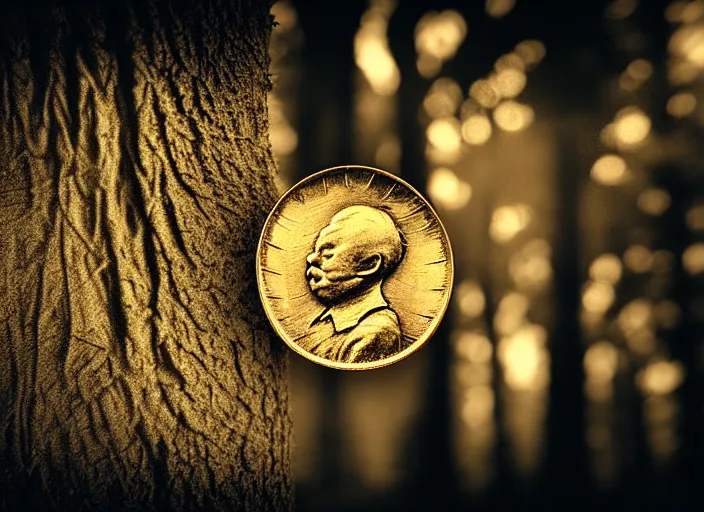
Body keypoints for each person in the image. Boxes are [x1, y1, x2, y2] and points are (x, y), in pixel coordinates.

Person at [300, 205, 405, 363]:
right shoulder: (323, 323)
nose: (311, 259)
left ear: (369, 264)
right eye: (315, 251)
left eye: (327, 253)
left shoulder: (376, 333)